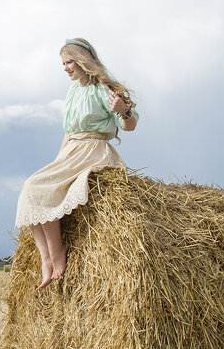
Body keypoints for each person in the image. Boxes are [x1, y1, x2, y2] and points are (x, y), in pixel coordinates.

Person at [15, 38, 138, 287]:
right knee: (31, 189)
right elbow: (69, 131)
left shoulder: (103, 90)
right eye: (63, 63)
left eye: (69, 61)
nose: (65, 68)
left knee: (42, 190)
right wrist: (58, 161)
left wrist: (123, 109)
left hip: (93, 150)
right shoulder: (73, 91)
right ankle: (46, 258)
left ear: (82, 60)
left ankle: (58, 252)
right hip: (72, 151)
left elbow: (130, 125)